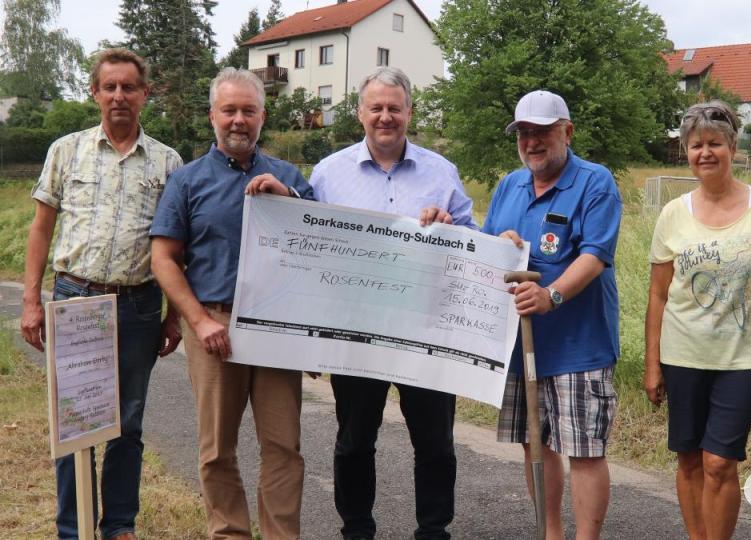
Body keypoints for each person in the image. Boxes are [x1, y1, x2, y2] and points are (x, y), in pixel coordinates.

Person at [19, 47, 182, 540]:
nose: (118, 96)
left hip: (138, 305)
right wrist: (32, 301)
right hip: (75, 301)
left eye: (128, 87)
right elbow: (41, 230)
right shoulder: (66, 150)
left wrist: (172, 316)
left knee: (128, 422)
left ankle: (118, 526)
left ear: (144, 94)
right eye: (109, 87)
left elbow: (177, 247)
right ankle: (73, 529)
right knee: (76, 422)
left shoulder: (168, 162)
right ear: (94, 93)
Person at [308, 66, 475, 540]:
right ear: (360, 113)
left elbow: (472, 241)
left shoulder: (442, 172)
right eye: (376, 108)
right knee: (354, 441)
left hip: (426, 331)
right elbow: (307, 250)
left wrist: (448, 226)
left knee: (436, 443)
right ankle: (357, 528)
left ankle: (433, 530)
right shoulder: (327, 174)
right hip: (355, 330)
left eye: (394, 108)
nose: (385, 117)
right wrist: (311, 336)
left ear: (410, 112)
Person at [150, 68, 313, 540]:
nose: (238, 120)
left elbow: (324, 248)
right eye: (229, 110)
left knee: (284, 447)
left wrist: (289, 201)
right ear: (212, 116)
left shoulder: (288, 177)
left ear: (263, 116)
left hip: (278, 329)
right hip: (214, 324)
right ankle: (229, 534)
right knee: (217, 449)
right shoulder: (186, 181)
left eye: (248, 110)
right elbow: (163, 258)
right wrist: (197, 321)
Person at [644, 101, 751, 540]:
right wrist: (653, 363)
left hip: (745, 358)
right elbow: (656, 295)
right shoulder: (673, 215)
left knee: (719, 461)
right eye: (695, 145)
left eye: (714, 143)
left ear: (732, 146)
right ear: (685, 152)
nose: (704, 153)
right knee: (689, 458)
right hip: (683, 353)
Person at [482, 90, 621, 540]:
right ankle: (551, 533)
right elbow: (488, 254)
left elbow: (595, 256)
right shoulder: (508, 186)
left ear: (567, 131)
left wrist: (551, 296)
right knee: (534, 444)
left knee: (583, 450)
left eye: (542, 131)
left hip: (579, 347)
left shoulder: (595, 181)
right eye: (524, 132)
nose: (532, 142)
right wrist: (500, 246)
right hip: (521, 347)